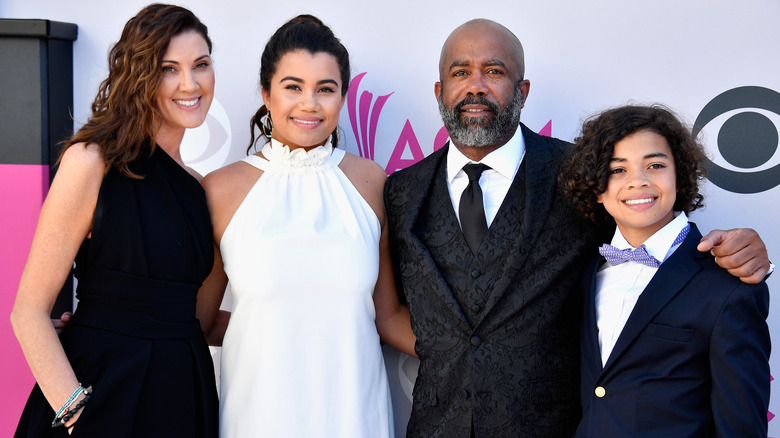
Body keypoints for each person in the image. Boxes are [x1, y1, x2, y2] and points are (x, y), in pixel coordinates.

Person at [383, 19, 771, 438]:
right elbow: (396, 312)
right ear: (440, 91)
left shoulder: (583, 175)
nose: (476, 86)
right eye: (460, 72)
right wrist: (457, 352)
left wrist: (743, 243)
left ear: (523, 90)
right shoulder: (403, 192)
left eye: (494, 71)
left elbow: (653, 231)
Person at [200, 15, 415, 438]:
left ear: (343, 97)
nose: (309, 104)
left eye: (326, 89)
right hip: (257, 417)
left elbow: (386, 316)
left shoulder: (372, 183)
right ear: (266, 93)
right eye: (293, 87)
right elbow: (198, 322)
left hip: (356, 418)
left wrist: (479, 349)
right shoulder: (220, 190)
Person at [11, 4, 219, 437]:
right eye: (169, 68)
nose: (190, 83)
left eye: (201, 64)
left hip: (183, 394)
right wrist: (78, 414)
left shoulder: (200, 189)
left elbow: (196, 319)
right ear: (140, 74)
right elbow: (28, 312)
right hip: (102, 393)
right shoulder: (92, 162)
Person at [560, 104, 770, 437]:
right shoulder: (586, 272)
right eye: (618, 170)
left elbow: (742, 427)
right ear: (597, 189)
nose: (638, 181)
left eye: (655, 165)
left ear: (680, 175)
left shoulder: (727, 284)